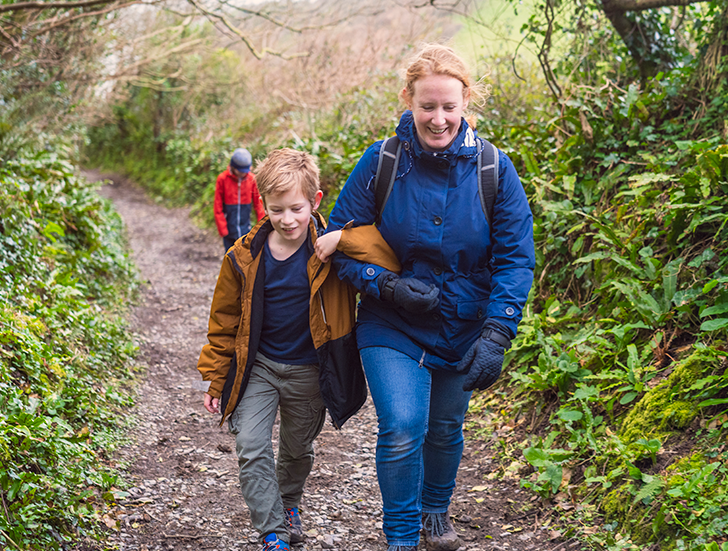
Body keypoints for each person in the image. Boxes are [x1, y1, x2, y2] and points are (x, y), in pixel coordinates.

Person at [317, 44, 535, 551]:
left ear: (466, 104)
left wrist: (498, 332)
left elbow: (515, 259)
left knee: (444, 428)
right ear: (408, 101)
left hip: (464, 322)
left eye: (449, 107)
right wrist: (386, 286)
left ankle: (436, 512)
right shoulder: (382, 161)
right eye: (427, 106)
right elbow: (339, 241)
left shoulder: (495, 171)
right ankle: (400, 536)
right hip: (389, 323)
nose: (438, 120)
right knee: (401, 426)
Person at [197, 148, 401, 551]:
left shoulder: (330, 250)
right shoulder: (243, 256)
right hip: (258, 369)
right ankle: (272, 530)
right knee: (250, 446)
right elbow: (223, 322)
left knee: (296, 451)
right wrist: (216, 377)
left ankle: (289, 504)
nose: (287, 220)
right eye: (276, 210)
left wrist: (342, 237)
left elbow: (386, 255)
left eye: (296, 208)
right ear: (263, 205)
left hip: (310, 371)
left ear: (315, 201)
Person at [214, 147, 266, 251]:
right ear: (233, 167)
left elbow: (258, 205)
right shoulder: (222, 179)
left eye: (245, 171)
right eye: (240, 171)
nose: (244, 174)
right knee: (229, 257)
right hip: (229, 231)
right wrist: (222, 228)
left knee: (245, 258)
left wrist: (260, 227)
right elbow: (217, 206)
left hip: (245, 229)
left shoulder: (251, 179)